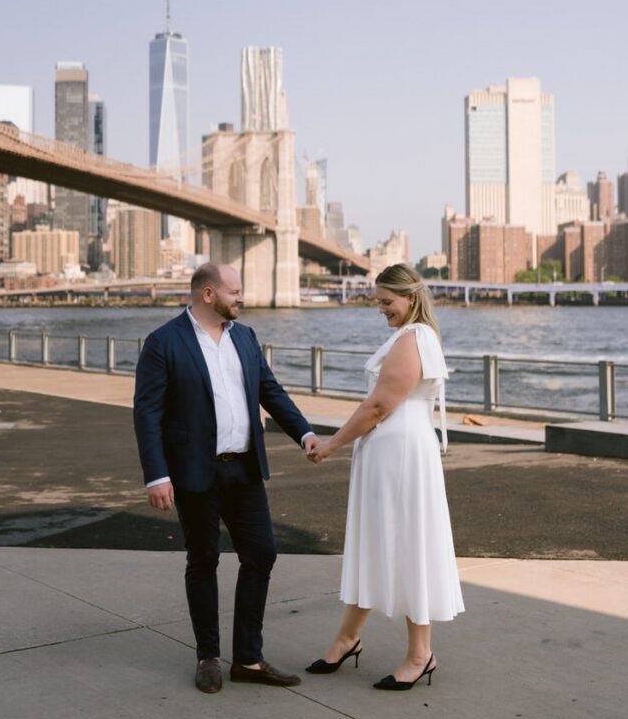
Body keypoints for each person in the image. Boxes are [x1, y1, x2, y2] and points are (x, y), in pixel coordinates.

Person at [133, 262, 320, 695]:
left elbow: (269, 390)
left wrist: (305, 433)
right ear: (208, 295)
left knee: (262, 554)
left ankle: (249, 660)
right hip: (195, 471)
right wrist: (156, 475)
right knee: (203, 561)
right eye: (235, 291)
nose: (242, 298)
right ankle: (208, 658)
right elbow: (147, 414)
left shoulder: (245, 337)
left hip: (245, 467)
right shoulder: (164, 342)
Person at [306, 262, 464, 691]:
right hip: (391, 456)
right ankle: (347, 638)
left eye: (386, 302)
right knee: (375, 544)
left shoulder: (414, 338)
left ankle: (420, 654)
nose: (381, 310)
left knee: (408, 545)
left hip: (401, 459)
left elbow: (379, 406)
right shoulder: (411, 336)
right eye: (378, 302)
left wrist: (332, 444)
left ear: (409, 298)